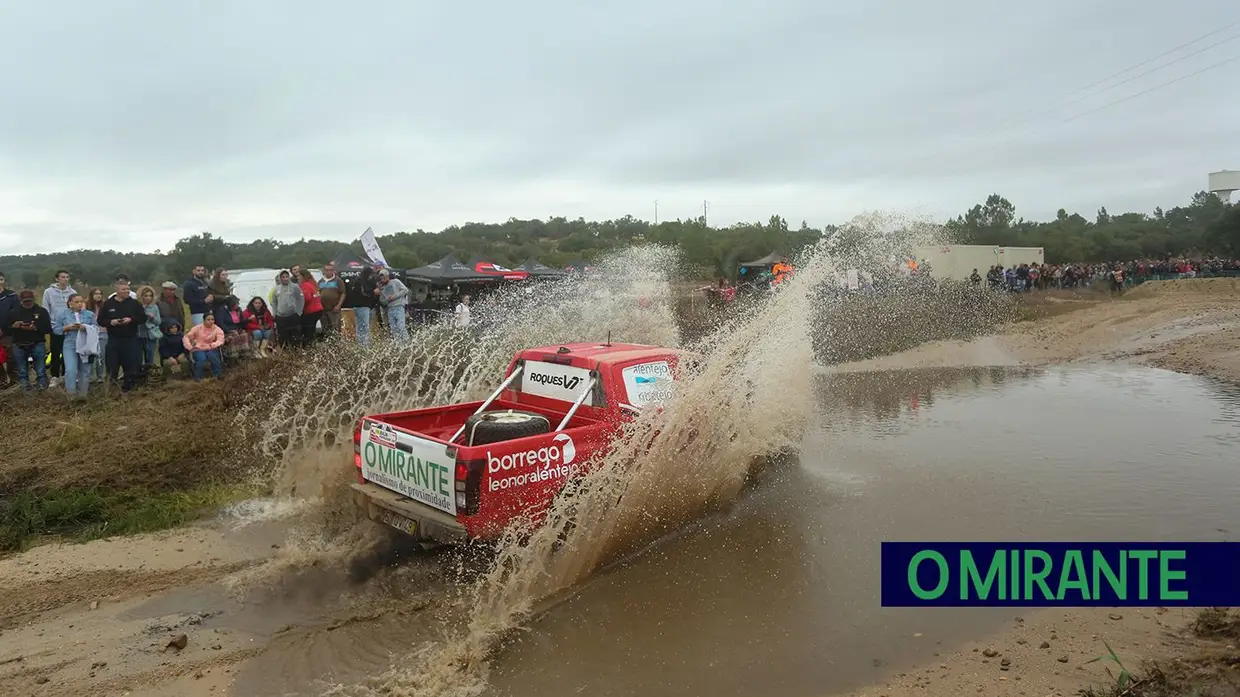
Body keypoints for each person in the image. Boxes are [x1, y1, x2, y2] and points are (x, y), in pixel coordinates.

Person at [96, 274, 146, 392]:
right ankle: (111, 389)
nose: (127, 291)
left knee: (130, 365)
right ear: (117, 290)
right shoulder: (108, 304)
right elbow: (100, 320)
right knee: (112, 365)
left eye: (128, 289)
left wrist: (131, 319)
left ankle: (129, 390)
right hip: (114, 339)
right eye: (124, 289)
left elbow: (143, 318)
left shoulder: (135, 304)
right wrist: (111, 322)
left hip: (130, 339)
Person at [53, 293, 98, 398]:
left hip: (85, 343)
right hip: (70, 343)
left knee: (85, 370)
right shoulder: (62, 314)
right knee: (70, 369)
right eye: (76, 302)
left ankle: (82, 395)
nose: (79, 304)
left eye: (81, 302)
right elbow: (56, 330)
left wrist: (85, 327)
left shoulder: (89, 314)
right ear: (70, 303)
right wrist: (67, 327)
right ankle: (71, 394)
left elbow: (96, 328)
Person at [6, 290, 52, 391]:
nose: (28, 303)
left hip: (37, 342)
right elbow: (6, 329)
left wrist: (36, 327)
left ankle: (42, 388)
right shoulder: (13, 312)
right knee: (22, 371)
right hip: (18, 343)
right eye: (25, 301)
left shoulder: (42, 311)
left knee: (40, 370)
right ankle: (24, 389)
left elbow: (48, 329)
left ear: (33, 299)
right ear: (21, 300)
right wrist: (14, 326)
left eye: (29, 301)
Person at [42, 269, 77, 385]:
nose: (65, 279)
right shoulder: (49, 292)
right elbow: (46, 309)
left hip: (70, 327)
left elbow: (76, 308)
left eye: (67, 277)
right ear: (57, 278)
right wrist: (49, 325)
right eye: (63, 277)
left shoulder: (72, 292)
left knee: (69, 351)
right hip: (55, 326)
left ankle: (65, 375)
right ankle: (55, 376)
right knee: (55, 352)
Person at [182, 313, 225, 381]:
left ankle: (218, 375)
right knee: (201, 359)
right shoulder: (197, 328)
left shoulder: (217, 329)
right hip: (199, 348)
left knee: (213, 357)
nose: (211, 321)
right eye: (208, 319)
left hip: (211, 347)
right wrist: (190, 347)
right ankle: (198, 377)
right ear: (204, 320)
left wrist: (213, 345)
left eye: (212, 319)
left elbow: (221, 339)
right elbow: (186, 337)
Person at [270, 270, 304, 348]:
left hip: (293, 316)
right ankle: (285, 353)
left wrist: (299, 311)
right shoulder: (276, 289)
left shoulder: (295, 286)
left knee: (295, 337)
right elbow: (274, 302)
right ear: (280, 278)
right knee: (282, 337)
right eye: (283, 277)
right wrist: (275, 314)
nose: (285, 279)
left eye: (286, 276)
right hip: (281, 317)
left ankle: (296, 353)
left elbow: (301, 298)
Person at [346, 266, 378, 346]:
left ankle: (360, 344)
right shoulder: (361, 281)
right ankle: (366, 345)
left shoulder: (357, 280)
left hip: (357, 307)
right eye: (371, 275)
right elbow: (363, 293)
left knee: (360, 326)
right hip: (362, 306)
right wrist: (374, 292)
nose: (371, 277)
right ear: (368, 274)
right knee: (365, 326)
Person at [376, 268, 409, 342]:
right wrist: (386, 299)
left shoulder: (395, 282)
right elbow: (382, 301)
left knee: (401, 327)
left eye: (384, 278)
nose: (383, 280)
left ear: (388, 276)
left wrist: (394, 296)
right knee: (394, 329)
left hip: (399, 307)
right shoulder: (382, 288)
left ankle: (407, 343)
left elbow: (405, 290)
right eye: (381, 279)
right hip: (390, 309)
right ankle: (398, 345)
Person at [84, 288, 108, 382]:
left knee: (101, 355)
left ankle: (100, 376)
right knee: (90, 355)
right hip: (90, 333)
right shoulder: (86, 306)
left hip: (103, 332)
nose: (98, 295)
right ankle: (88, 376)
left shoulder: (104, 306)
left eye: (100, 293)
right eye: (96, 293)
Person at [0, 270, 19, 389]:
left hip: (8, 332)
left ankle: (15, 382)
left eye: (1, 279)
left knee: (11, 357)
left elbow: (15, 314)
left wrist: (3, 329)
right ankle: (1, 381)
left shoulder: (11, 296)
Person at [318, 262, 345, 336]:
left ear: (333, 270)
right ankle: (328, 345)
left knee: (335, 328)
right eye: (327, 270)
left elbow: (343, 293)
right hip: (323, 309)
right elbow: (318, 293)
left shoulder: (338, 280)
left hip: (334, 308)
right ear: (324, 271)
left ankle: (336, 345)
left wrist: (339, 305)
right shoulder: (320, 281)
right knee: (325, 329)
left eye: (330, 270)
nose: (329, 272)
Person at [137, 285, 162, 367]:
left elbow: (158, 322)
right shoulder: (137, 306)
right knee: (138, 357)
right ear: (141, 296)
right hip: (138, 333)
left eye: (150, 296)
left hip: (150, 334)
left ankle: (150, 373)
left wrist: (152, 317)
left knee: (150, 355)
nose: (148, 298)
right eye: (146, 295)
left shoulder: (154, 307)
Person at [297, 269, 323, 347]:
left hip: (311, 311)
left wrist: (298, 307)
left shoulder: (304, 285)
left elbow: (307, 298)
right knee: (311, 330)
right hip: (318, 309)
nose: (297, 278)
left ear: (303, 276)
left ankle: (307, 347)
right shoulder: (312, 283)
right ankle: (311, 345)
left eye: (299, 276)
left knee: (307, 330)